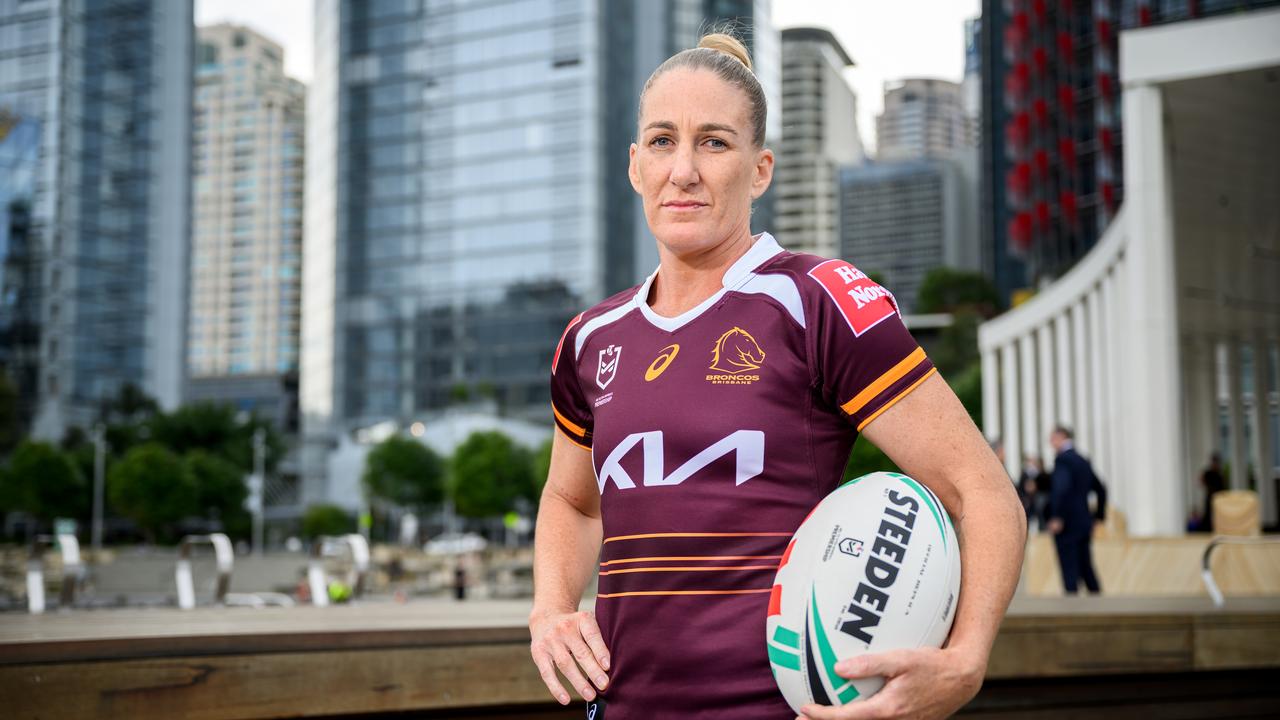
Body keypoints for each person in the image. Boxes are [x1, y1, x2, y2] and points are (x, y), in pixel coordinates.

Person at [528, 32, 1026, 720]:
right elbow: (573, 502)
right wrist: (551, 608)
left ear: (760, 170)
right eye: (664, 141)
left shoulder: (818, 300)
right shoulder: (591, 338)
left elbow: (983, 493)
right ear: (636, 165)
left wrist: (965, 662)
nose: (684, 171)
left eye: (714, 143)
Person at [1046, 426, 1106, 594]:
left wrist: (1057, 516)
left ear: (1061, 437)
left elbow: (1061, 489)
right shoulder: (1082, 460)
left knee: (1069, 570)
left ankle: (1071, 606)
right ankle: (1099, 602)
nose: (1051, 443)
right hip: (1084, 521)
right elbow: (1101, 489)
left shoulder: (1063, 460)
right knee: (1086, 567)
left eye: (1052, 438)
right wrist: (1098, 516)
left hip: (1067, 524)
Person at [1199, 453, 1226, 533]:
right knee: (1208, 515)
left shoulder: (1219, 474)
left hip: (1218, 499)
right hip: (1210, 497)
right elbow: (1201, 481)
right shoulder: (1208, 473)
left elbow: (1223, 487)